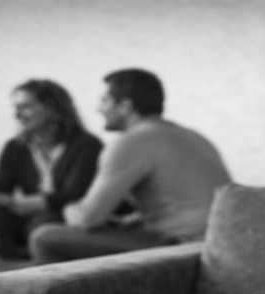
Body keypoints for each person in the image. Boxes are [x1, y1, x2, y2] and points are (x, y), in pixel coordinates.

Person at [29, 68, 231, 263]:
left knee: (44, 237)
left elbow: (88, 219)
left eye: (104, 100)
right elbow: (184, 199)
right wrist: (135, 219)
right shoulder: (194, 136)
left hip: (181, 246)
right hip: (219, 243)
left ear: (125, 106)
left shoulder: (132, 141)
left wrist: (69, 209)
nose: (98, 108)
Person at [0, 79, 103, 259]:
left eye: (25, 107)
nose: (17, 115)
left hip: (69, 217)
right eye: (16, 108)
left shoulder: (86, 145)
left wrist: (7, 201)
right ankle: (0, 278)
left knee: (44, 222)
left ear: (51, 108)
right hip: (29, 216)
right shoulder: (16, 147)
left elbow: (71, 195)